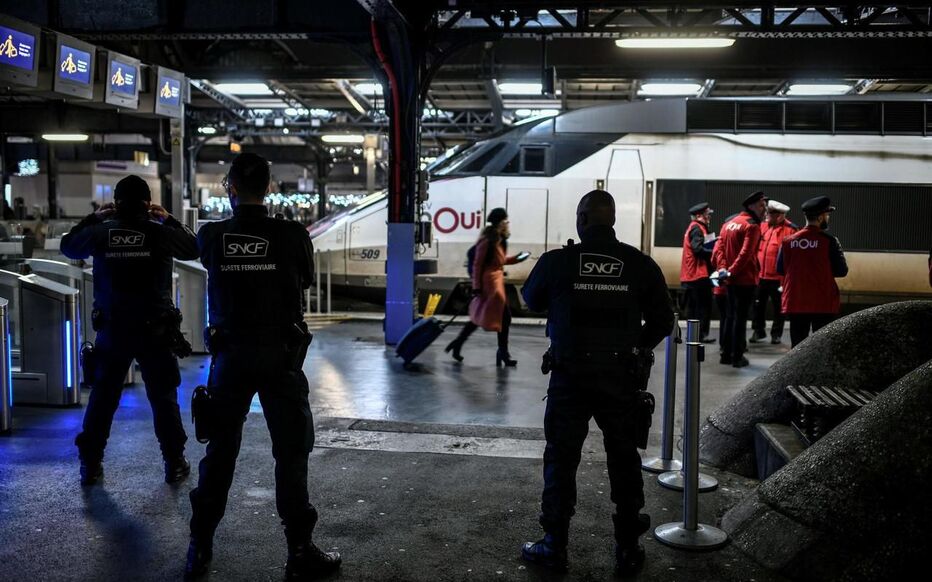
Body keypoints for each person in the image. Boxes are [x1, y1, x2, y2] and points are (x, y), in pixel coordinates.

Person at [186, 153, 340, 581]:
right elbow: (306, 279)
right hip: (280, 359)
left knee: (219, 454)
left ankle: (199, 548)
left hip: (230, 360)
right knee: (291, 454)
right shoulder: (291, 235)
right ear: (269, 188)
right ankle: (299, 551)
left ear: (230, 188)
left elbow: (186, 248)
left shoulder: (213, 236)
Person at [519, 190, 674, 576]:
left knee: (561, 458)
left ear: (582, 220)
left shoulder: (558, 262)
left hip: (569, 378)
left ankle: (554, 545)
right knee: (623, 458)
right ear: (613, 219)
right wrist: (636, 348)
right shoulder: (639, 265)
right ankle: (628, 547)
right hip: (620, 378)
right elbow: (663, 320)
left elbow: (531, 299)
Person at [60, 175, 197, 486]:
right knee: (163, 397)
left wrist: (93, 218)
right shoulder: (159, 233)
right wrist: (170, 219)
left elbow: (69, 247)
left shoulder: (99, 232)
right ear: (148, 204)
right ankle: (174, 461)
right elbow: (193, 248)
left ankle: (91, 464)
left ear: (115, 204)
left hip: (113, 330)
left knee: (103, 397)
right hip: (156, 331)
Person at [444, 207, 528, 366]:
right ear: (500, 222)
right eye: (506, 221)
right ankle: (503, 353)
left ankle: (458, 344)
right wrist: (476, 287)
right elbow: (477, 264)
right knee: (503, 317)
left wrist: (517, 259)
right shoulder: (487, 240)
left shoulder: (499, 239)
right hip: (490, 285)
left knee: (479, 317)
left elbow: (500, 260)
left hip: (495, 282)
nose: (508, 224)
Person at [777, 196, 848, 347]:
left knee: (797, 348)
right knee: (821, 347)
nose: (828, 218)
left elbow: (780, 269)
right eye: (827, 215)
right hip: (823, 302)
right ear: (821, 217)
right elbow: (842, 271)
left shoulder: (787, 241)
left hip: (796, 301)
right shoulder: (829, 241)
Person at [714, 191, 766, 368]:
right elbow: (746, 254)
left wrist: (723, 270)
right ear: (751, 206)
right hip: (744, 280)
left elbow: (719, 249)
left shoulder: (729, 224)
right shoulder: (752, 226)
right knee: (740, 318)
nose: (764, 209)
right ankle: (737, 356)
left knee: (729, 317)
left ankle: (726, 354)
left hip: (729, 280)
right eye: (761, 205)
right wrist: (732, 272)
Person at [750, 200, 796, 345]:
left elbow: (792, 257)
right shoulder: (762, 226)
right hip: (760, 276)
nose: (767, 215)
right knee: (758, 305)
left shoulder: (790, 230)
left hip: (778, 278)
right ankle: (758, 331)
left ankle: (776, 334)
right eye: (768, 213)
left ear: (780, 215)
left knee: (779, 308)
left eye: (770, 213)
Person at [679, 202, 716, 343]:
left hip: (693, 275)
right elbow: (698, 249)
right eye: (708, 215)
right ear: (699, 215)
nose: (709, 217)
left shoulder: (694, 227)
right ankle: (700, 335)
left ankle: (695, 335)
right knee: (702, 307)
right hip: (697, 275)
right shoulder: (697, 229)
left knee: (695, 308)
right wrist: (714, 251)